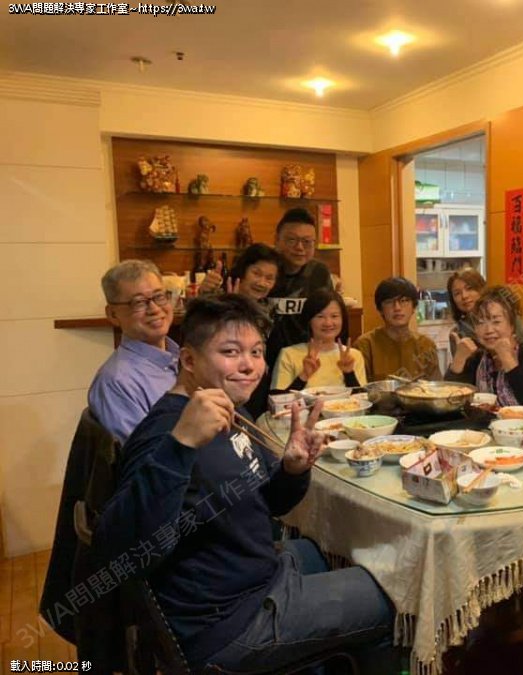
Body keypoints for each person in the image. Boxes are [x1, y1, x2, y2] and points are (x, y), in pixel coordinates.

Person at [91, 294, 397, 673]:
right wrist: (180, 446)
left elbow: (270, 503)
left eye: (256, 352)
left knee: (330, 551)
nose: (249, 365)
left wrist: (292, 470)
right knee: (392, 596)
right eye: (231, 351)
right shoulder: (168, 431)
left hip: (255, 573)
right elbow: (117, 549)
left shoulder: (229, 410)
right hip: (228, 623)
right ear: (189, 360)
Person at [88, 260, 180, 444]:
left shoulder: (184, 358)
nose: (154, 309)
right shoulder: (117, 382)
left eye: (159, 296)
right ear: (113, 314)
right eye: (138, 302)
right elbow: (143, 455)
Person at [446, 286, 523, 407]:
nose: (488, 330)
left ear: (512, 325)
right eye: (481, 323)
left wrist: (507, 359)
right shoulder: (477, 358)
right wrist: (459, 359)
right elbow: (450, 401)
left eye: (496, 322)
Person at [265, 207, 334, 369]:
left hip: (307, 360)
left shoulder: (319, 273)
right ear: (277, 240)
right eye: (292, 240)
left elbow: (329, 317)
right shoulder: (265, 270)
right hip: (264, 359)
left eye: (307, 242)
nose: (300, 247)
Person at [271, 288, 366, 391]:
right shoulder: (288, 355)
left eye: (334, 316)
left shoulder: (353, 356)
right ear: (309, 320)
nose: (328, 323)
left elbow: (362, 398)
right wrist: (304, 376)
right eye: (320, 316)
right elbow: (278, 399)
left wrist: (349, 374)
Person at [356, 276, 441, 382]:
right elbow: (359, 389)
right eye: (389, 302)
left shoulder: (426, 345)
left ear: (413, 307)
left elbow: (436, 387)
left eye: (404, 301)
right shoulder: (365, 345)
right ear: (380, 309)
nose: (397, 308)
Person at [447, 268, 523, 353]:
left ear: (481, 289)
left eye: (469, 288)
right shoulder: (458, 333)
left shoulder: (510, 320)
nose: (464, 296)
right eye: (457, 293)